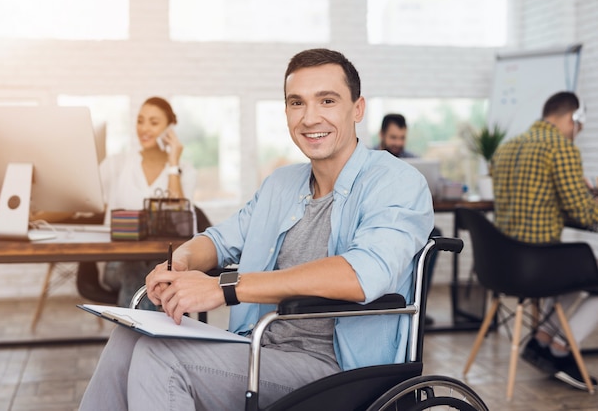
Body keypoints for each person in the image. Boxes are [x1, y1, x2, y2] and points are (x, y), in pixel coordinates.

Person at [79, 48, 434, 410]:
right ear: (286, 112)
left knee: (164, 360)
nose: (311, 118)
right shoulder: (281, 184)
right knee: (129, 337)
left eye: (327, 100)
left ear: (357, 108)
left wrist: (226, 288)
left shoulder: (397, 182)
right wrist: (181, 261)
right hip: (258, 346)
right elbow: (219, 240)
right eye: (297, 103)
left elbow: (361, 274)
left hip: (339, 370)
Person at [491, 90, 598, 391]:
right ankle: (562, 348)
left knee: (574, 271)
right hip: (538, 266)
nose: (576, 134)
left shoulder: (506, 148)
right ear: (572, 118)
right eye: (579, 126)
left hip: (505, 267)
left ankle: (541, 342)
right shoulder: (561, 148)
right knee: (583, 270)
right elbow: (581, 210)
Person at [99, 96, 197, 309]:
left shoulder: (185, 170)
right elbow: (85, 199)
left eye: (154, 123)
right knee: (142, 271)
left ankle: (134, 335)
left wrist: (173, 164)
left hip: (164, 262)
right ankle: (157, 336)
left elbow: (178, 221)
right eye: (140, 121)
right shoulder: (116, 164)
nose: (144, 128)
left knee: (158, 272)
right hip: (119, 263)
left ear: (170, 127)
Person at [378, 113, 441, 325]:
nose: (398, 143)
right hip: (381, 221)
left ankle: (418, 304)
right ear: (382, 135)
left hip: (406, 220)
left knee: (434, 237)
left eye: (401, 138)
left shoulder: (412, 161)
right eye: (393, 138)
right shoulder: (370, 160)